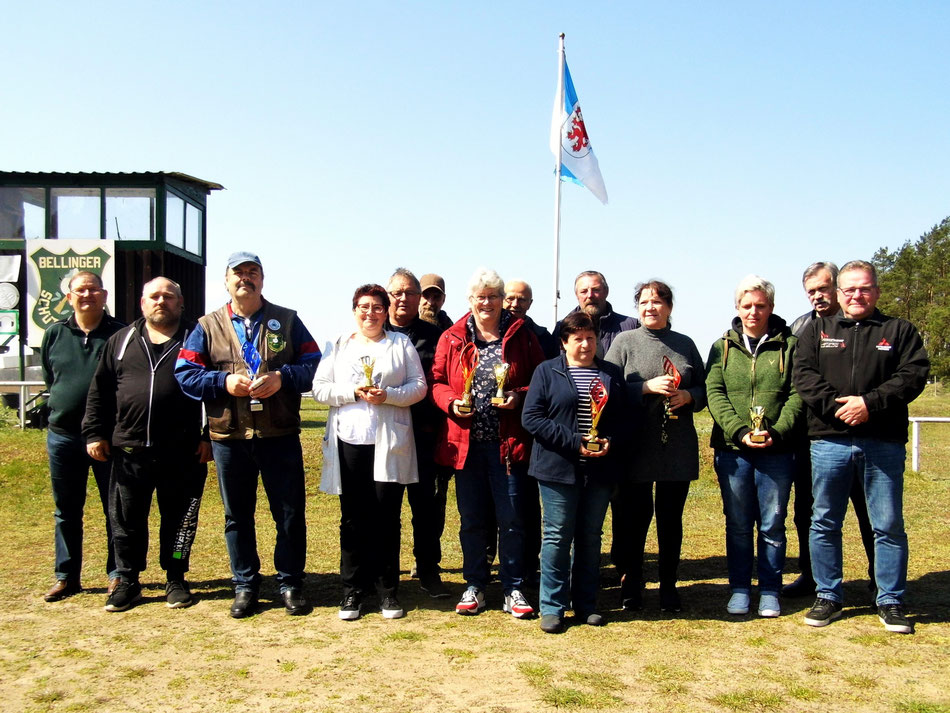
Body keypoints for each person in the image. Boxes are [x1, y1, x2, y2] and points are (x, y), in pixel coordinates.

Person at [175, 251, 321, 618]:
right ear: (226, 281)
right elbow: (185, 373)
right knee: (236, 516)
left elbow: (315, 364)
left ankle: (290, 583)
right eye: (238, 273)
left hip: (279, 434)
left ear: (262, 279)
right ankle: (245, 585)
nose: (246, 278)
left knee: (289, 514)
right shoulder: (206, 326)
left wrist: (281, 378)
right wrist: (223, 381)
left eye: (253, 272)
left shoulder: (287, 320)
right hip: (229, 438)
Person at [793, 260, 928, 634]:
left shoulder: (898, 330)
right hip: (829, 442)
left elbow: (912, 375)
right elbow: (804, 376)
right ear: (839, 293)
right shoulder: (815, 331)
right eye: (849, 289)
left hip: (882, 441)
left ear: (877, 291)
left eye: (864, 288)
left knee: (887, 524)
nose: (856, 295)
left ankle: (890, 600)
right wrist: (842, 409)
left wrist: (869, 404)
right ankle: (828, 596)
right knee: (824, 522)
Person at [83, 277, 210, 612]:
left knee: (180, 519)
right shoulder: (121, 341)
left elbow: (215, 392)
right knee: (125, 520)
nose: (161, 302)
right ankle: (127, 580)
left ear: (180, 303)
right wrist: (94, 432)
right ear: (142, 303)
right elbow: (100, 391)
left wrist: (208, 436)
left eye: (169, 296)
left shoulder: (196, 339)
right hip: (129, 450)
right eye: (154, 296)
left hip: (183, 451)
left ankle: (177, 577)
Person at [431, 267, 544, 618]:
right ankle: (475, 585)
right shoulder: (451, 336)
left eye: (493, 296)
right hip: (466, 446)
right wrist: (451, 402)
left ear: (502, 300)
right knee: (472, 520)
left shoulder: (522, 333)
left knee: (512, 519)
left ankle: (513, 588)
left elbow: (541, 379)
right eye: (480, 297)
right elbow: (436, 380)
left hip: (507, 445)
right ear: (470, 301)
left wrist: (518, 395)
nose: (487, 302)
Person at [314, 284, 427, 620]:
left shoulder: (400, 343)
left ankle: (387, 592)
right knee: (352, 519)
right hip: (349, 442)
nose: (371, 313)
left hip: (388, 443)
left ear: (386, 311)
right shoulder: (339, 345)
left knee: (386, 518)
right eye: (364, 307)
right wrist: (352, 391)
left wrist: (388, 395)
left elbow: (419, 387)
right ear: (354, 310)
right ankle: (352, 592)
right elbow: (320, 389)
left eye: (378, 307)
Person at [522, 311, 628, 633]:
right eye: (578, 338)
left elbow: (626, 418)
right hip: (558, 470)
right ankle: (552, 607)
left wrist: (609, 440)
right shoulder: (547, 371)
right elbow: (532, 418)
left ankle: (586, 604)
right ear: (565, 342)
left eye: (591, 338)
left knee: (590, 538)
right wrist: (574, 442)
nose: (585, 344)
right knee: (556, 537)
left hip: (598, 471)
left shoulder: (610, 373)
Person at [605, 280, 706, 613]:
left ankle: (668, 586)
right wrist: (645, 388)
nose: (650, 308)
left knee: (670, 518)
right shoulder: (624, 342)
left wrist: (690, 396)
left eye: (657, 302)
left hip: (676, 446)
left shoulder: (685, 344)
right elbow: (606, 388)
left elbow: (707, 388)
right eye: (644, 302)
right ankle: (632, 584)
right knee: (634, 519)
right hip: (635, 445)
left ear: (669, 308)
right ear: (638, 308)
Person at [705, 275, 802, 619]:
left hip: (776, 451)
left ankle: (771, 589)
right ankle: (740, 588)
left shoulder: (790, 346)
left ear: (771, 308)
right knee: (739, 523)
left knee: (774, 524)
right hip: (733, 451)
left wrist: (776, 431)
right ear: (737, 308)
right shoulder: (722, 347)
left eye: (760, 306)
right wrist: (740, 430)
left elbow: (797, 393)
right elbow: (714, 393)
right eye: (747, 306)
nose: (753, 312)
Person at [784, 261, 876, 598]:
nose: (818, 297)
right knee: (808, 512)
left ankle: (878, 579)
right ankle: (812, 575)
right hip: (812, 437)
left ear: (836, 288)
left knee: (870, 512)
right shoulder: (800, 328)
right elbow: (799, 378)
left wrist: (858, 409)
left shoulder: (868, 327)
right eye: (811, 292)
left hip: (865, 434)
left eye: (824, 289)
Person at [40, 270, 125, 602]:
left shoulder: (120, 334)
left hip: (108, 438)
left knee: (114, 508)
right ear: (69, 297)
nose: (87, 295)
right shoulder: (54, 334)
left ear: (104, 296)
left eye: (94, 290)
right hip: (63, 437)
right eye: (80, 290)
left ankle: (118, 574)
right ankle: (66, 575)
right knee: (66, 509)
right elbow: (52, 378)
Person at [383, 268, 451, 598]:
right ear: (387, 294)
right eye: (398, 292)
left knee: (426, 509)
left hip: (424, 435)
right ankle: (385, 576)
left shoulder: (435, 336)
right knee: (386, 509)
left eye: (411, 293)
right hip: (383, 437)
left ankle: (428, 571)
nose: (405, 299)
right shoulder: (374, 333)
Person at [554, 271, 638, 358]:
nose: (590, 295)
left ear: (606, 292)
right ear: (576, 295)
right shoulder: (562, 328)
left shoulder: (631, 327)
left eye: (596, 290)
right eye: (584, 291)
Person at [504, 279, 559, 359]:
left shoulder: (543, 337)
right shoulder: (487, 332)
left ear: (530, 303)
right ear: (501, 300)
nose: (515, 304)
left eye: (522, 300)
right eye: (510, 299)